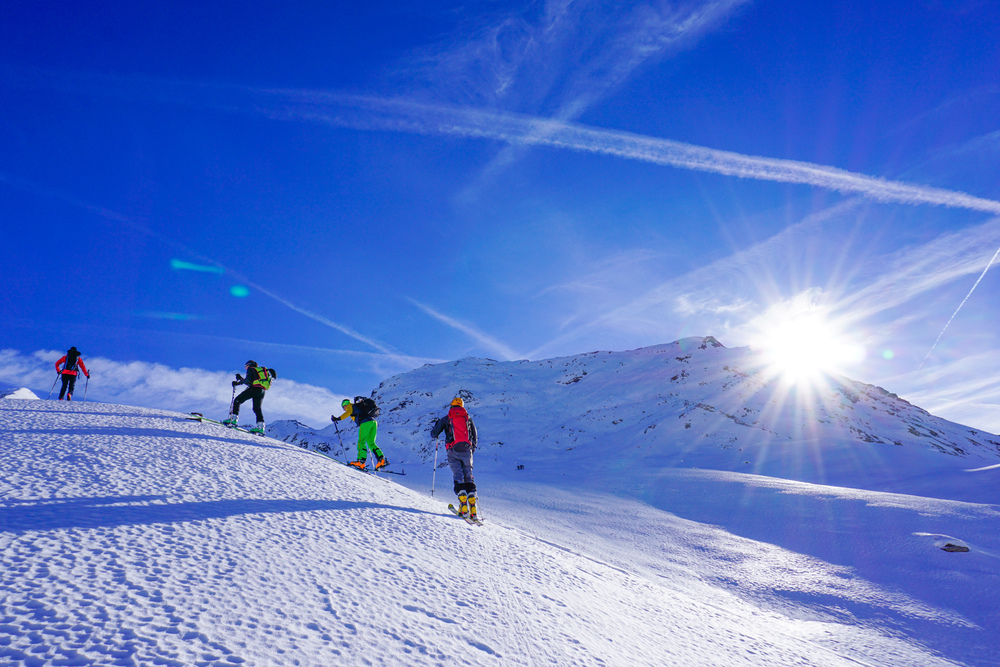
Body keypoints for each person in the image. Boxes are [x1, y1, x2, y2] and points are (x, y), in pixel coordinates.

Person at [431, 397, 479, 520]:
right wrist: (471, 449)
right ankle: (473, 508)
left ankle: (463, 506)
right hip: (467, 451)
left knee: (458, 476)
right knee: (469, 476)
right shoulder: (467, 418)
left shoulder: (447, 418)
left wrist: (437, 425)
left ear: (452, 405)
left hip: (452, 450)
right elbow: (474, 435)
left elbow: (434, 434)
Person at [333, 397, 388, 471]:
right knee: (371, 442)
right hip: (373, 422)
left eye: (343, 407)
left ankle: (360, 462)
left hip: (365, 423)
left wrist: (337, 419)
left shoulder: (350, 406)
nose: (344, 409)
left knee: (361, 442)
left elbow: (347, 413)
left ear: (345, 405)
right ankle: (382, 460)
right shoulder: (358, 406)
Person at [223, 360, 276, 434]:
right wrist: (241, 379)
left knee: (237, 400)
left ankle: (233, 419)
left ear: (249, 365)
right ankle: (260, 427)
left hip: (254, 389)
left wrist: (237, 383)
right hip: (261, 391)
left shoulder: (251, 369)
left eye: (246, 366)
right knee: (257, 408)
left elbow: (248, 380)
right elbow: (250, 383)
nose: (245, 368)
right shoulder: (258, 373)